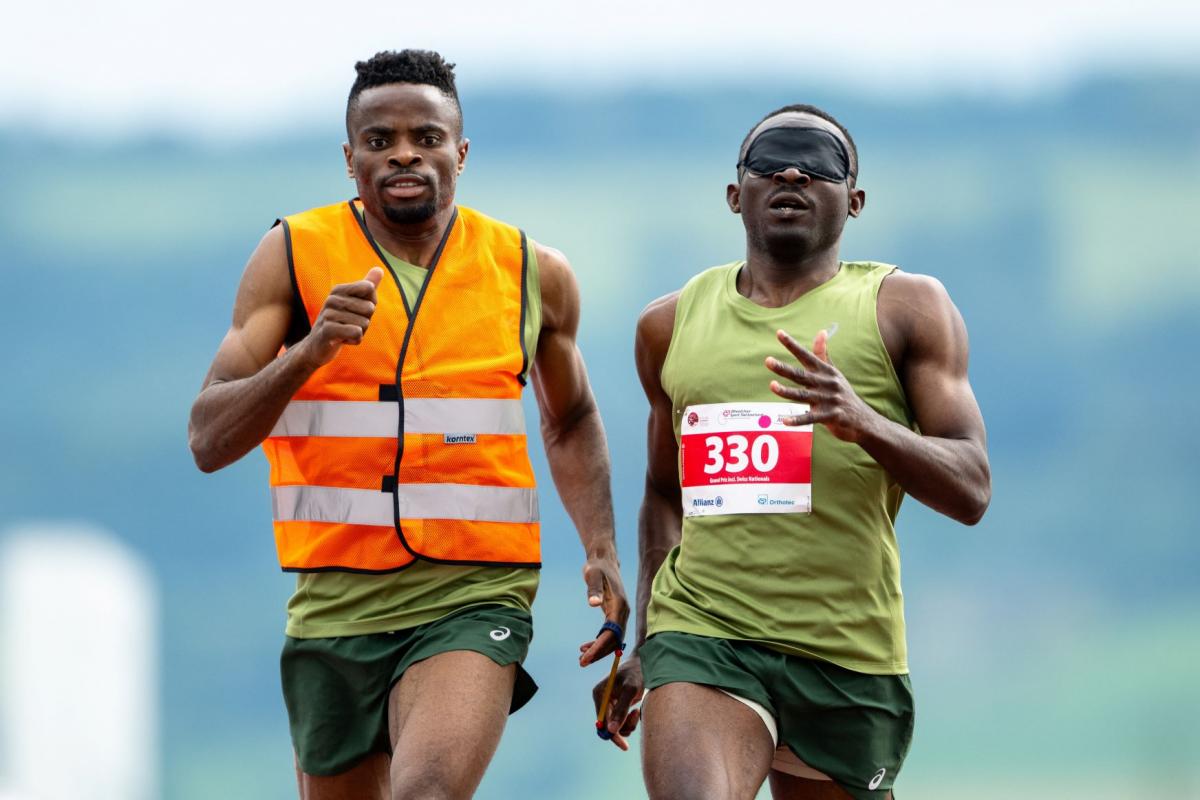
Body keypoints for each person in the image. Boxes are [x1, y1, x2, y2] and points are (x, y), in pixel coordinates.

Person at [188, 49, 628, 800]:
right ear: (349, 157)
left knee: (426, 791)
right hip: (333, 605)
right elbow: (208, 437)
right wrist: (310, 351)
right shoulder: (293, 254)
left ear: (460, 153)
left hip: (474, 593)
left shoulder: (531, 270)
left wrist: (600, 546)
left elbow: (571, 415)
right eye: (380, 138)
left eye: (426, 137)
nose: (403, 153)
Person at [594, 104, 991, 799]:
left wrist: (862, 420)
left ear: (855, 201)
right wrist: (655, 636)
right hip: (706, 633)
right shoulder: (667, 325)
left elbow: (971, 488)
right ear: (734, 195)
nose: (792, 170)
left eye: (819, 163)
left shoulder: (908, 309)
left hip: (848, 654)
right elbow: (664, 492)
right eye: (771, 158)